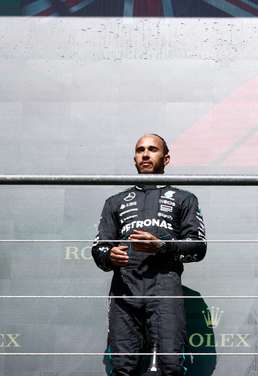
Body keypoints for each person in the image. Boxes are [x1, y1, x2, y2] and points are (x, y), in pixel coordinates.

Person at [92, 134, 207, 376]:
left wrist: (162, 246)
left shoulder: (184, 198)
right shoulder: (115, 201)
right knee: (123, 367)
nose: (145, 154)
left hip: (165, 288)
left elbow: (198, 247)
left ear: (165, 158)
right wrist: (109, 256)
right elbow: (99, 248)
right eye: (140, 150)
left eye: (152, 149)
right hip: (124, 290)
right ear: (134, 158)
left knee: (171, 365)